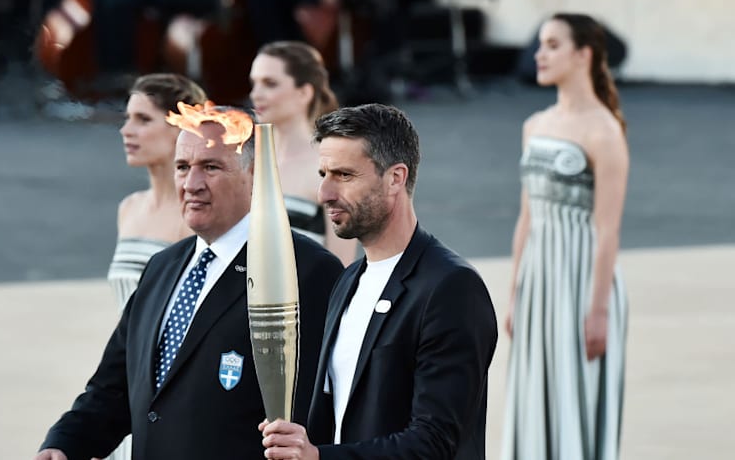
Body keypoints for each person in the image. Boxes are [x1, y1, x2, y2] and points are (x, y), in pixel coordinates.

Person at [35, 106, 344, 460]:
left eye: (211, 167)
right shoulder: (162, 269)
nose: (191, 184)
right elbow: (114, 388)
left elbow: (318, 412)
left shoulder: (304, 270)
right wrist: (62, 444)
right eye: (182, 167)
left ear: (256, 173)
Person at [259, 103, 498, 459]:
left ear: (395, 178)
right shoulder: (349, 281)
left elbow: (435, 441)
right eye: (323, 173)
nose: (324, 193)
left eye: (344, 175)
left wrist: (319, 457)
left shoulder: (451, 287)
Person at [501, 13, 629, 460]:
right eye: (540, 44)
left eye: (552, 45)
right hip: (539, 278)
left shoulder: (605, 131)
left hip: (581, 279)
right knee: (535, 391)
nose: (540, 54)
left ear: (583, 55)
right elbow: (526, 217)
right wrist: (516, 291)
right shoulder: (534, 124)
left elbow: (607, 226)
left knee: (577, 397)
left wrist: (598, 311)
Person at [104, 73, 205, 460]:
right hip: (128, 380)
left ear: (180, 127)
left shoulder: (196, 219)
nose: (127, 130)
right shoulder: (128, 208)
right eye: (127, 118)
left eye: (144, 120)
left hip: (175, 391)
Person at [249, 40, 358, 265]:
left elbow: (340, 266)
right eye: (254, 83)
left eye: (270, 83)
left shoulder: (332, 166)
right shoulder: (245, 159)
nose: (255, 94)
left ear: (304, 92)